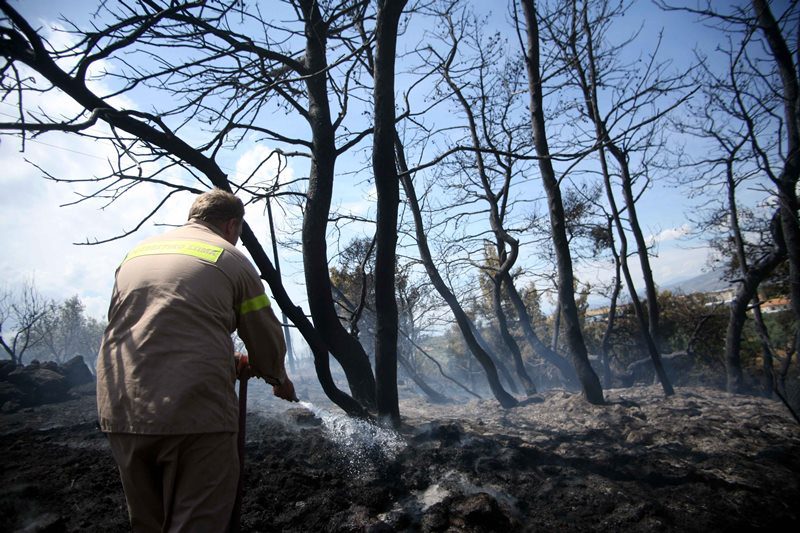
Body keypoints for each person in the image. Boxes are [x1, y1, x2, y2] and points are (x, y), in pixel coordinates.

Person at [96, 188, 296, 532]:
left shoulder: (136, 255)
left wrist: (223, 358)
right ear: (233, 225)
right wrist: (276, 377)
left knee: (148, 523)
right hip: (194, 412)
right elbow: (265, 338)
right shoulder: (230, 258)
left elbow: (147, 328)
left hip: (122, 408)